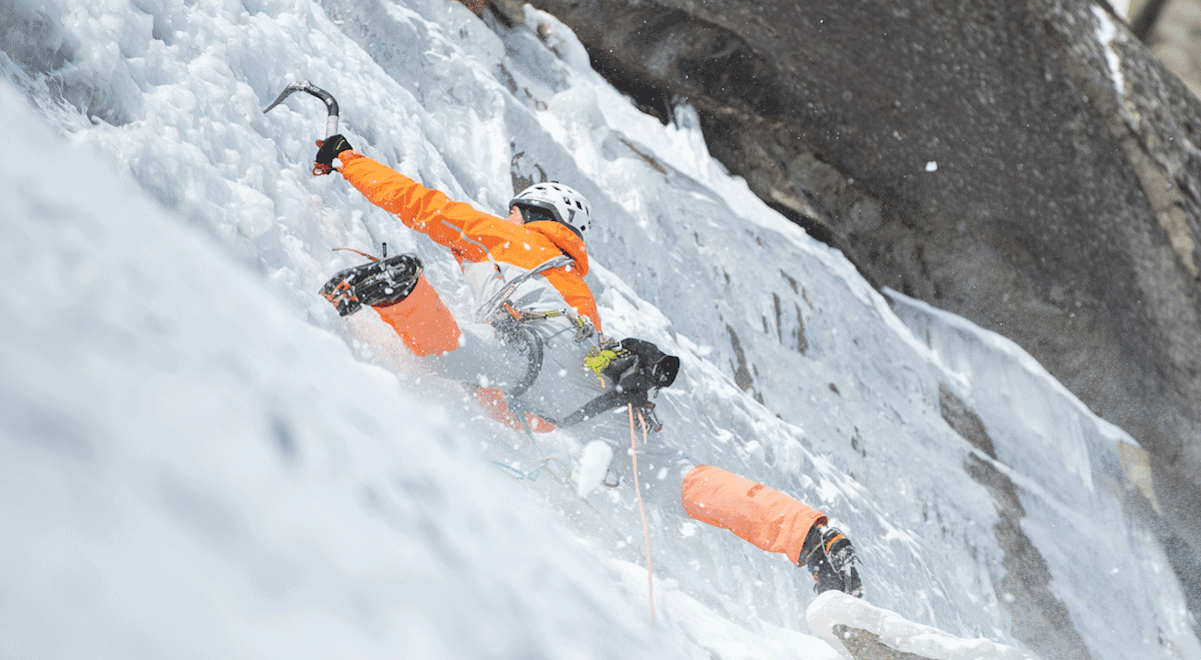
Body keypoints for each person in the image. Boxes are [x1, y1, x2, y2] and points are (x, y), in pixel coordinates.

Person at [313, 134, 863, 597]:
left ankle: (402, 292)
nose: (507, 218)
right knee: (675, 477)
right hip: (592, 384)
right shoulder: (577, 287)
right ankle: (813, 540)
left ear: (533, 214)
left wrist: (345, 158)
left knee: (454, 354)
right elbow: (569, 375)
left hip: (528, 347)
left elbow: (420, 203)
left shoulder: (507, 237)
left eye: (515, 212)